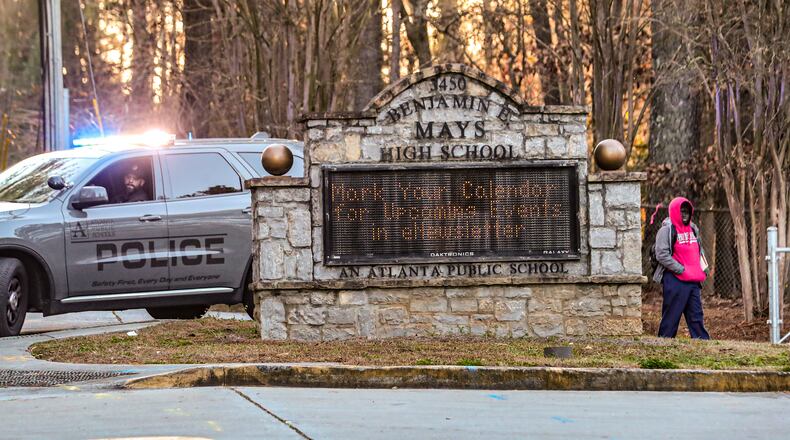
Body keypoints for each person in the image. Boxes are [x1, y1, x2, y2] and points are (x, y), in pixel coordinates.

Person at [652, 197, 710, 339]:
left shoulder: (693, 228)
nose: (685, 215)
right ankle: (664, 345)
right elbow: (661, 254)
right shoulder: (666, 230)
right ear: (674, 212)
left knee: (696, 316)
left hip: (693, 281)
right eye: (681, 211)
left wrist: (703, 267)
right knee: (671, 316)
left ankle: (704, 346)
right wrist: (681, 269)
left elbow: (698, 249)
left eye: (687, 212)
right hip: (674, 280)